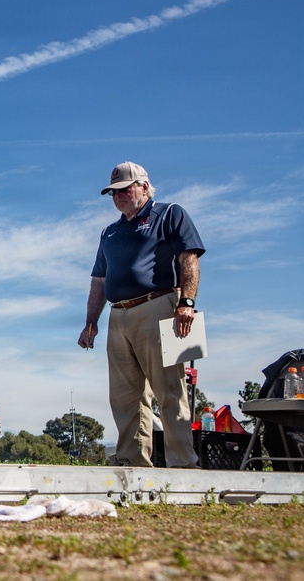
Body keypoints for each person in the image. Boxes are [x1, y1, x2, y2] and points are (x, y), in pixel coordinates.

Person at [77, 162, 203, 468]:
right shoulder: (110, 232)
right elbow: (99, 280)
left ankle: (183, 465)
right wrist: (91, 321)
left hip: (158, 307)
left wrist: (186, 302)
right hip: (118, 315)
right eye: (113, 193)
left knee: (169, 390)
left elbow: (189, 257)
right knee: (124, 397)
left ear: (144, 187)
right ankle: (132, 465)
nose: (118, 197)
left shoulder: (169, 213)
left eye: (124, 189)